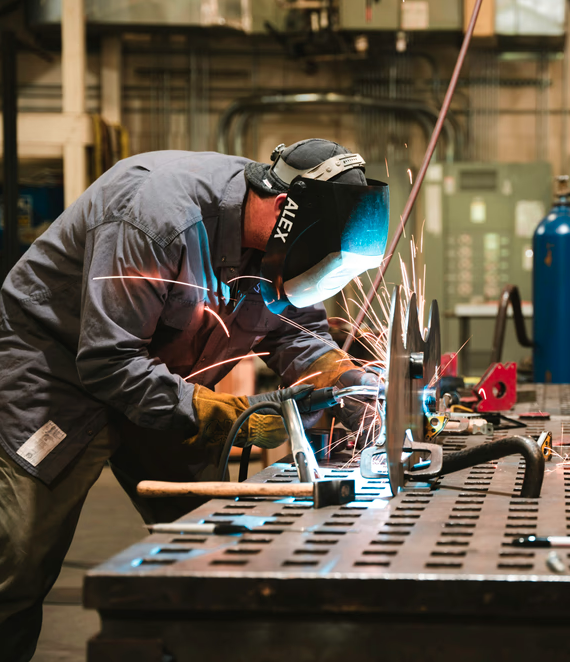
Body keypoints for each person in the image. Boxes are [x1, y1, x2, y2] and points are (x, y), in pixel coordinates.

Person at [0, 139, 389, 662]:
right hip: (59, 371)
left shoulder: (285, 244)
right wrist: (228, 418)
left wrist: (346, 379)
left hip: (166, 381)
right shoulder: (155, 218)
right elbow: (109, 362)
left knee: (210, 539)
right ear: (284, 210)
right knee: (20, 559)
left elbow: (297, 332)